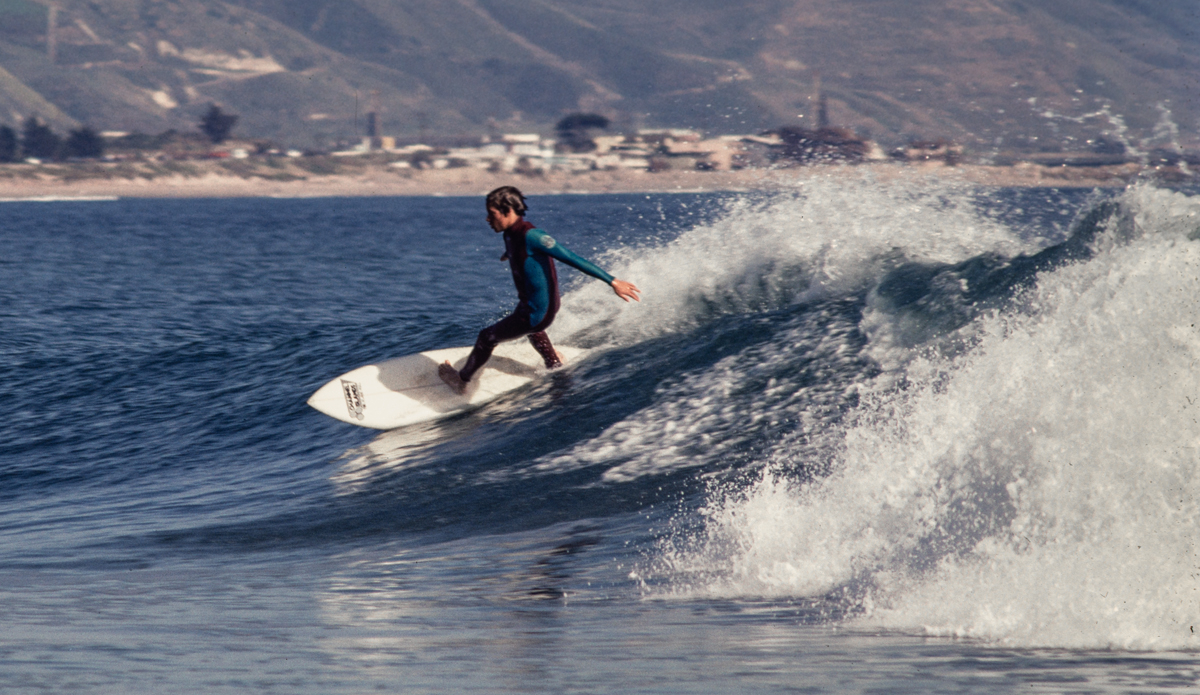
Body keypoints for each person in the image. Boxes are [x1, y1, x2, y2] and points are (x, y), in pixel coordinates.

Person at [438, 186, 640, 394]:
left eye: (492, 214)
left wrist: (613, 281)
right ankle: (554, 364)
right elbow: (518, 248)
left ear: (508, 211)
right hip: (532, 307)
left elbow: (571, 258)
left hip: (537, 312)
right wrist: (510, 254)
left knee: (486, 337)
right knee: (530, 327)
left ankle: (461, 381)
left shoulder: (534, 236)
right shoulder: (510, 234)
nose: (488, 219)